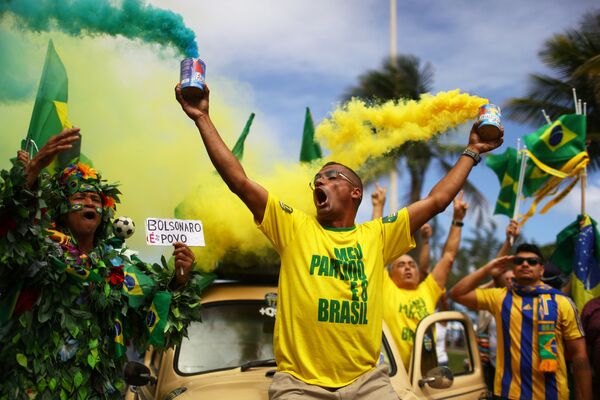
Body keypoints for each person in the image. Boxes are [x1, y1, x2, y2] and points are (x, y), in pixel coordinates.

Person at [175, 83, 502, 399]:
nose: (321, 181)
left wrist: (472, 150)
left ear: (354, 192)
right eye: (317, 179)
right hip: (300, 386)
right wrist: (202, 117)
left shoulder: (378, 235)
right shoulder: (293, 228)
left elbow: (437, 201)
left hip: (368, 384)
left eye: (332, 177)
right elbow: (240, 182)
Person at [0, 129, 208, 399]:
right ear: (62, 207)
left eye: (96, 199)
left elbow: (155, 327)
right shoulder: (38, 250)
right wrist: (32, 172)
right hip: (34, 390)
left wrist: (179, 281)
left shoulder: (120, 267)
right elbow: (9, 233)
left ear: (104, 212)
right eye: (79, 197)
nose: (89, 202)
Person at [450, 243, 592, 400]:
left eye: (532, 262)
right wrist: (488, 269)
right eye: (519, 261)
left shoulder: (562, 302)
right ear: (514, 267)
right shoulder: (500, 297)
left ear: (541, 269)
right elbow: (457, 293)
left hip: (552, 394)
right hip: (507, 394)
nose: (525, 264)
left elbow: (580, 355)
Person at [382, 191, 468, 370]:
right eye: (401, 265)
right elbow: (376, 250)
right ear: (390, 274)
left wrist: (458, 219)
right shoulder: (384, 285)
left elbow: (449, 256)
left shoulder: (427, 289)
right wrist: (377, 206)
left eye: (412, 265)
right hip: (390, 375)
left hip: (424, 375)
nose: (407, 267)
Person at [476, 219, 519, 391]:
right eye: (506, 278)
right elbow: (494, 271)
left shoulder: (525, 303)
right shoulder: (492, 301)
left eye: (513, 279)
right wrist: (508, 242)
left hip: (517, 369)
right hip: (491, 367)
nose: (510, 281)